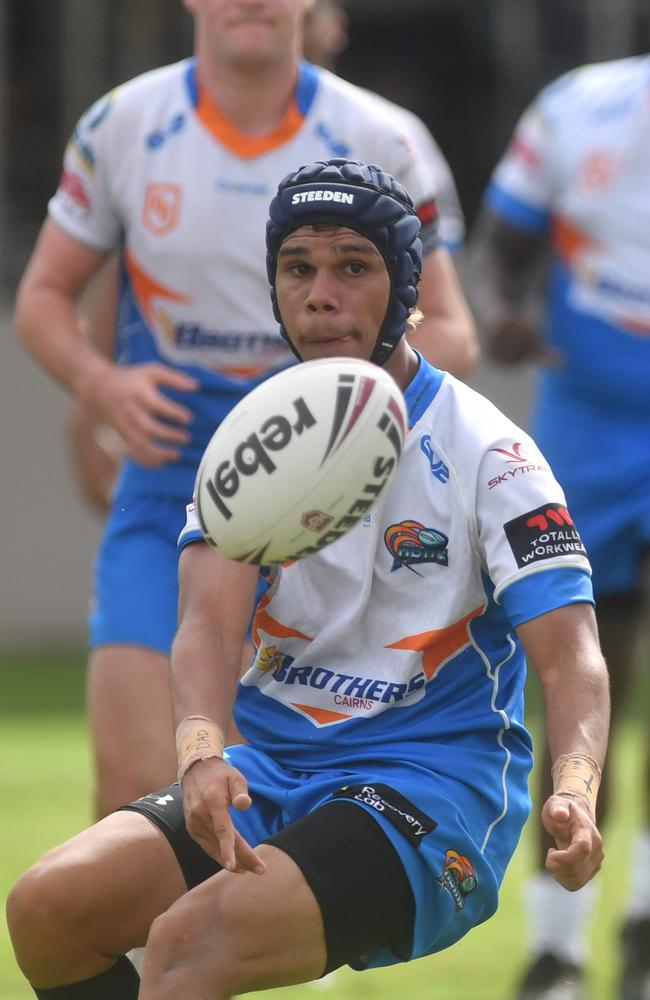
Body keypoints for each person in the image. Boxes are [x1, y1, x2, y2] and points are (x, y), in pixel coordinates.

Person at [7, 157, 608, 1000]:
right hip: (276, 771)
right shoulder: (256, 442)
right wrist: (203, 755)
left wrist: (577, 789)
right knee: (49, 912)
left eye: (352, 268)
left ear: (404, 287)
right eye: (298, 268)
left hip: (430, 793)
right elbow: (207, 627)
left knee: (186, 951)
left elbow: (571, 655)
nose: (321, 294)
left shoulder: (490, 452)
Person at [14, 0, 479, 820]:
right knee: (131, 787)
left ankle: (262, 940)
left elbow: (452, 333)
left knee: (300, 789)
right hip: (168, 485)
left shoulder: (382, 137)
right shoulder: (123, 122)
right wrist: (101, 387)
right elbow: (44, 296)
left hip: (328, 510)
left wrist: (334, 409)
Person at [467, 55, 650, 1000]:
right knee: (582, 680)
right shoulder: (576, 108)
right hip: (589, 437)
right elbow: (504, 240)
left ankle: (645, 927)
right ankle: (558, 951)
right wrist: (502, 310)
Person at [302, 0, 466, 252]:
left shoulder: (396, 129)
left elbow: (442, 244)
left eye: (308, 18)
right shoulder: (220, 134)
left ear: (337, 27)